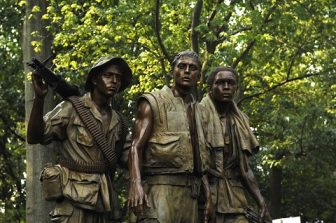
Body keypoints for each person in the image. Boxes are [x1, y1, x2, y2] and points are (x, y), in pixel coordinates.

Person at [27, 56, 132, 223]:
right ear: (95, 79)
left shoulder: (119, 122)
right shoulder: (71, 108)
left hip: (104, 204)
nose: (114, 81)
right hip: (72, 201)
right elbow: (34, 137)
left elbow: (131, 159)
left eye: (118, 78)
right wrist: (39, 99)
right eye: (108, 75)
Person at [128, 51, 212, 223]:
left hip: (191, 197)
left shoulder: (201, 112)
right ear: (172, 71)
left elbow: (200, 159)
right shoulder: (152, 102)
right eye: (181, 66)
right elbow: (135, 147)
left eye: (193, 68)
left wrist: (208, 196)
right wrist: (135, 184)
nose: (187, 71)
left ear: (199, 76)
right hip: (160, 190)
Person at [200, 67, 272, 223]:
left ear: (236, 88)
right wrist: (207, 199)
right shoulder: (198, 114)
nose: (226, 87)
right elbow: (197, 162)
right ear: (210, 88)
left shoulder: (241, 121)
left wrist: (261, 201)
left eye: (230, 83)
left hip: (234, 197)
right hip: (204, 196)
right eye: (220, 83)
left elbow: (245, 169)